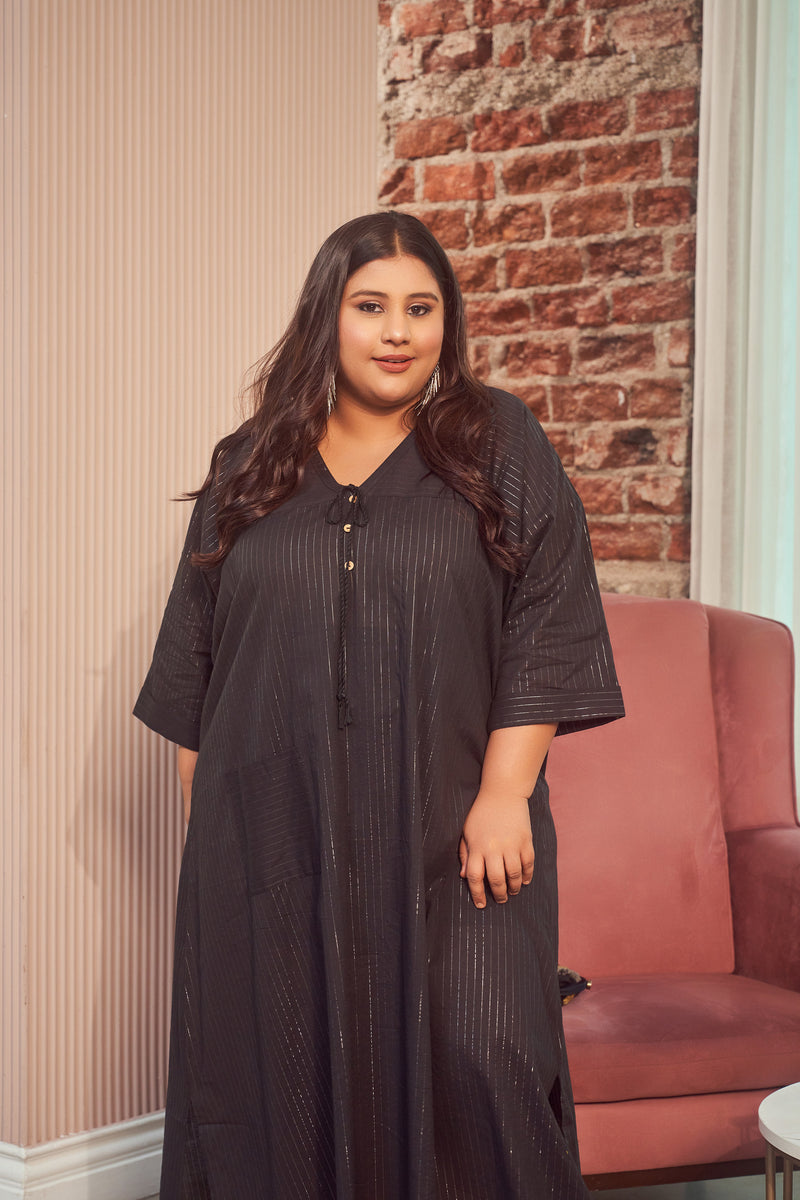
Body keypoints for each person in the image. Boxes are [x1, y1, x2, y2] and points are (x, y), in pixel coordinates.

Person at [134, 210, 625, 1199]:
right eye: (370, 307)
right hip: (274, 834)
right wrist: (218, 849)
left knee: (485, 1054)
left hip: (455, 830)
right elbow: (201, 667)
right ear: (328, 316)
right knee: (279, 1071)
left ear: (447, 323)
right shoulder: (249, 464)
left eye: (420, 308)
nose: (397, 331)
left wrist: (503, 795)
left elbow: (546, 617)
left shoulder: (496, 444)